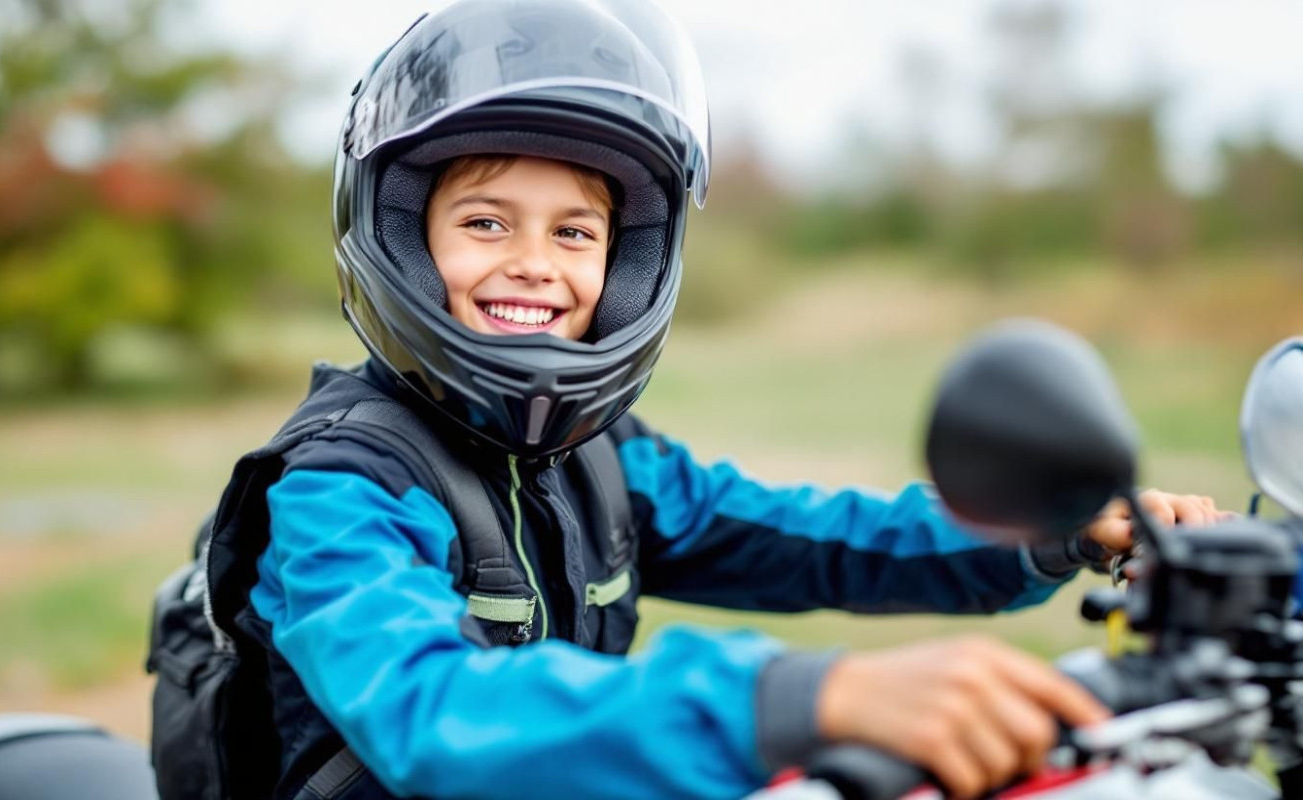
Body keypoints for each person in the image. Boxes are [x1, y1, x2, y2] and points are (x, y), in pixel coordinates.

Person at [207, 2, 1228, 798]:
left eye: (574, 232)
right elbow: (429, 708)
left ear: (628, 260)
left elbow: (820, 538)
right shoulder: (338, 486)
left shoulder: (603, 459)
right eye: (484, 221)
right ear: (401, 241)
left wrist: (1049, 534)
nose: (532, 263)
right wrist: (797, 695)